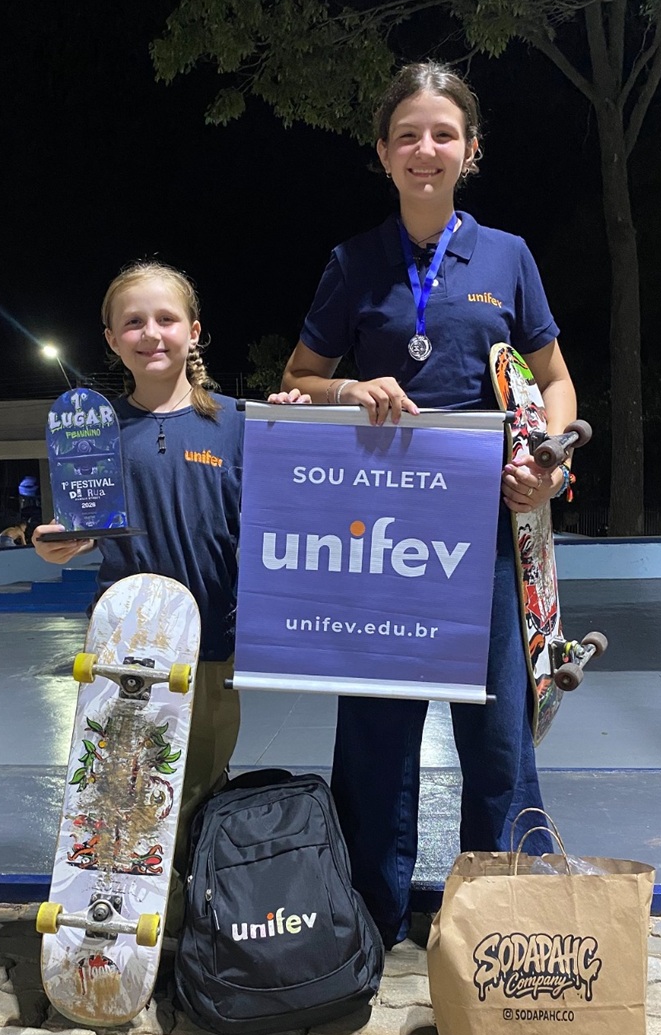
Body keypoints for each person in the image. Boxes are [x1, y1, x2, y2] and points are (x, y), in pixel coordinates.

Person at [279, 61, 578, 948]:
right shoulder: (352, 262)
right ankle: (369, 920)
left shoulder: (508, 257)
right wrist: (350, 389)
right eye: (407, 134)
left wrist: (547, 463)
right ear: (383, 152)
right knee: (374, 738)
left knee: (497, 741)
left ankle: (496, 926)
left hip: (486, 537)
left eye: (443, 134)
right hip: (382, 543)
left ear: (470, 151)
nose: (425, 149)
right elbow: (299, 378)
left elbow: (555, 382)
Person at [33, 260, 304, 932]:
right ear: (111, 339)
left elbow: (293, 512)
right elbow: (79, 526)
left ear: (194, 331)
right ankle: (132, 928)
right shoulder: (93, 434)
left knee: (198, 784)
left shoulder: (241, 424)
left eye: (165, 319)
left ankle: (194, 927)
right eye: (133, 322)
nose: (151, 333)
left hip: (210, 644)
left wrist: (301, 429)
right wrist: (55, 543)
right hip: (121, 651)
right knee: (122, 792)